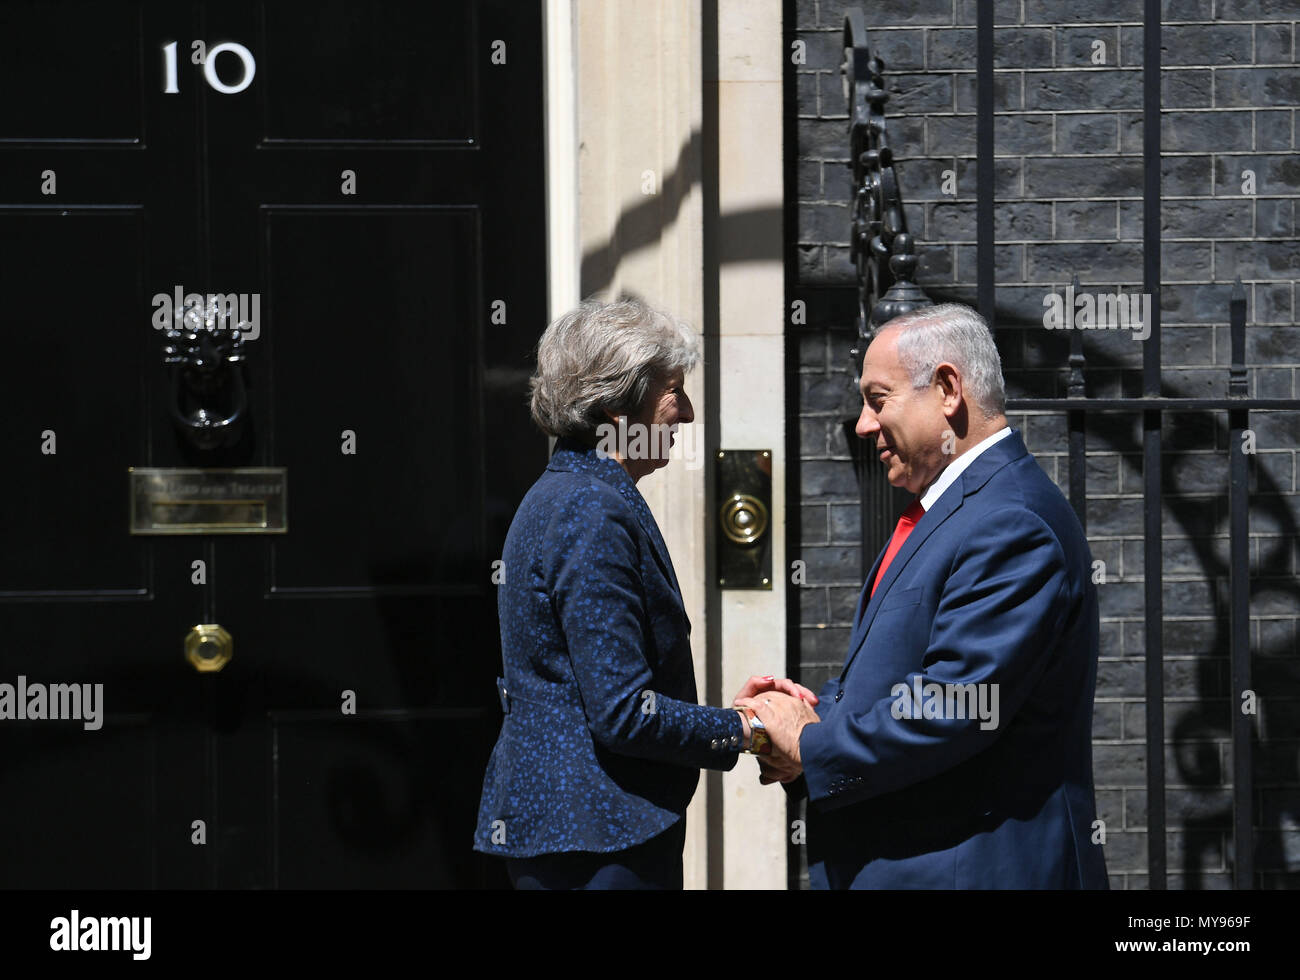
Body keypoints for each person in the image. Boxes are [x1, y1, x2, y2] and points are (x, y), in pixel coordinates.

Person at [738, 303, 1109, 889]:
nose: (862, 423)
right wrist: (799, 717)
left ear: (946, 389)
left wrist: (810, 743)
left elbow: (956, 704)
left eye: (877, 398)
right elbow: (898, 680)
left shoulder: (1010, 522)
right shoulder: (960, 509)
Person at [474, 296, 814, 889]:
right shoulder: (589, 508)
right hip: (597, 837)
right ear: (617, 400)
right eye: (673, 390)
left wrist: (724, 716)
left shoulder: (572, 489)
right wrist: (750, 730)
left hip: (579, 830)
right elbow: (623, 713)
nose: (684, 413)